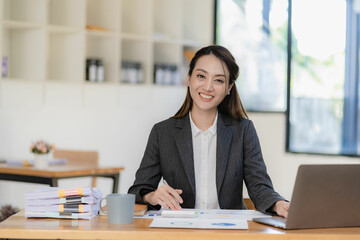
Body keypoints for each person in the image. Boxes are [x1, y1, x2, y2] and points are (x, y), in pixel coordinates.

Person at [128, 45, 289, 218]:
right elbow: (138, 190)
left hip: (230, 231)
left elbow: (259, 187)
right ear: (189, 78)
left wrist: (279, 204)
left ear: (229, 87)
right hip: (181, 230)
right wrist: (152, 196)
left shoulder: (243, 131)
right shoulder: (162, 132)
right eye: (201, 76)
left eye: (218, 80)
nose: (208, 87)